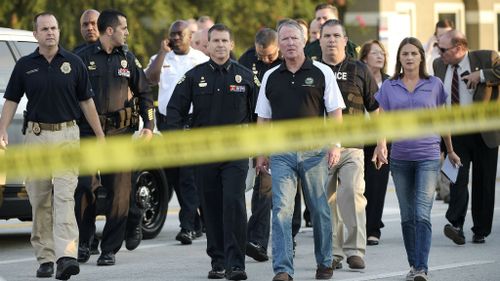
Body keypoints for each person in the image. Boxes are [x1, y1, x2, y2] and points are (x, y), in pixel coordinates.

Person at [0, 12, 104, 280]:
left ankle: (66, 256)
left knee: (65, 198)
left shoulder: (74, 63)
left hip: (67, 136)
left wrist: (100, 135)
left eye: (54, 28)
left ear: (59, 31)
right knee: (40, 199)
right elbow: (11, 100)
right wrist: (2, 130)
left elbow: (87, 102)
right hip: (36, 138)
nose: (50, 32)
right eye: (44, 28)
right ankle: (45, 258)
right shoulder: (25, 65)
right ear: (35, 34)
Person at [255, 19, 345, 281]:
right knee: (282, 210)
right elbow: (263, 118)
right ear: (279, 45)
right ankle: (283, 269)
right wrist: (261, 152)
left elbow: (335, 111)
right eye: (285, 39)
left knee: (319, 209)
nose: (290, 43)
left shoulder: (321, 72)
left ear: (304, 41)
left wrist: (335, 145)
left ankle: (325, 261)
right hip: (281, 154)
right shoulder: (271, 77)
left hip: (315, 152)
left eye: (295, 38)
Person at [166, 24, 256, 280]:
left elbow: (260, 115)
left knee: (234, 204)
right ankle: (218, 261)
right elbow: (174, 110)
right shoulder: (194, 76)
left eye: (224, 40)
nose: (219, 45)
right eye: (214, 41)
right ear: (207, 45)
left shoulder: (246, 76)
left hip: (236, 153)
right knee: (212, 207)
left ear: (231, 44)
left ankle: (236, 264)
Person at [373, 37, 461, 281]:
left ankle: (421, 267)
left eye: (413, 53)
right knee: (407, 215)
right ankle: (414, 264)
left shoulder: (434, 85)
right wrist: (381, 145)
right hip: (400, 158)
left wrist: (450, 150)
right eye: (405, 54)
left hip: (428, 156)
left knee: (422, 214)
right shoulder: (390, 86)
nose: (409, 57)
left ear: (422, 57)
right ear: (399, 59)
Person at [75, 9, 155, 266]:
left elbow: (145, 94)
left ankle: (110, 248)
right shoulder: (82, 58)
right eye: (124, 28)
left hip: (120, 134)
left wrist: (149, 125)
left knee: (120, 193)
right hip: (88, 134)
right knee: (85, 188)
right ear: (109, 30)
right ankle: (85, 241)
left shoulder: (128, 59)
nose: (127, 32)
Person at [320, 19, 379, 270]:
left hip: (353, 146)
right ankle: (333, 253)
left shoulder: (360, 69)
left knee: (352, 195)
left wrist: (381, 143)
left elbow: (376, 109)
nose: (332, 40)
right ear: (319, 41)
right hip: (319, 149)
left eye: (337, 35)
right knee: (326, 202)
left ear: (345, 40)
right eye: (327, 36)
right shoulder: (312, 70)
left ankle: (355, 250)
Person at [144, 20, 208, 244]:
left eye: (180, 34)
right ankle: (197, 222)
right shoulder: (160, 58)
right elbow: (150, 80)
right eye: (173, 34)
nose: (176, 38)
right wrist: (162, 53)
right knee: (175, 176)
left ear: (190, 36)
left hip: (191, 123)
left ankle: (187, 226)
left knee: (188, 176)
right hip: (167, 124)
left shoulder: (200, 60)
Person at [433, 29, 499, 245]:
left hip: (484, 132)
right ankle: (456, 225)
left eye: (442, 49)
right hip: (455, 133)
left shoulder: (486, 57)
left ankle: (480, 229)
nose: (439, 52)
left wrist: (480, 76)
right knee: (456, 179)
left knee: (484, 181)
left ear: (459, 48)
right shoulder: (439, 65)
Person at [359, 40, 391, 246]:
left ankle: (373, 229)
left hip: (383, 139)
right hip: (359, 139)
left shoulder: (391, 81)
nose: (380, 56)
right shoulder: (358, 77)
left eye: (383, 53)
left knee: (377, 185)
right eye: (375, 53)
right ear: (364, 58)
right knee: (358, 186)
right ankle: (359, 225)